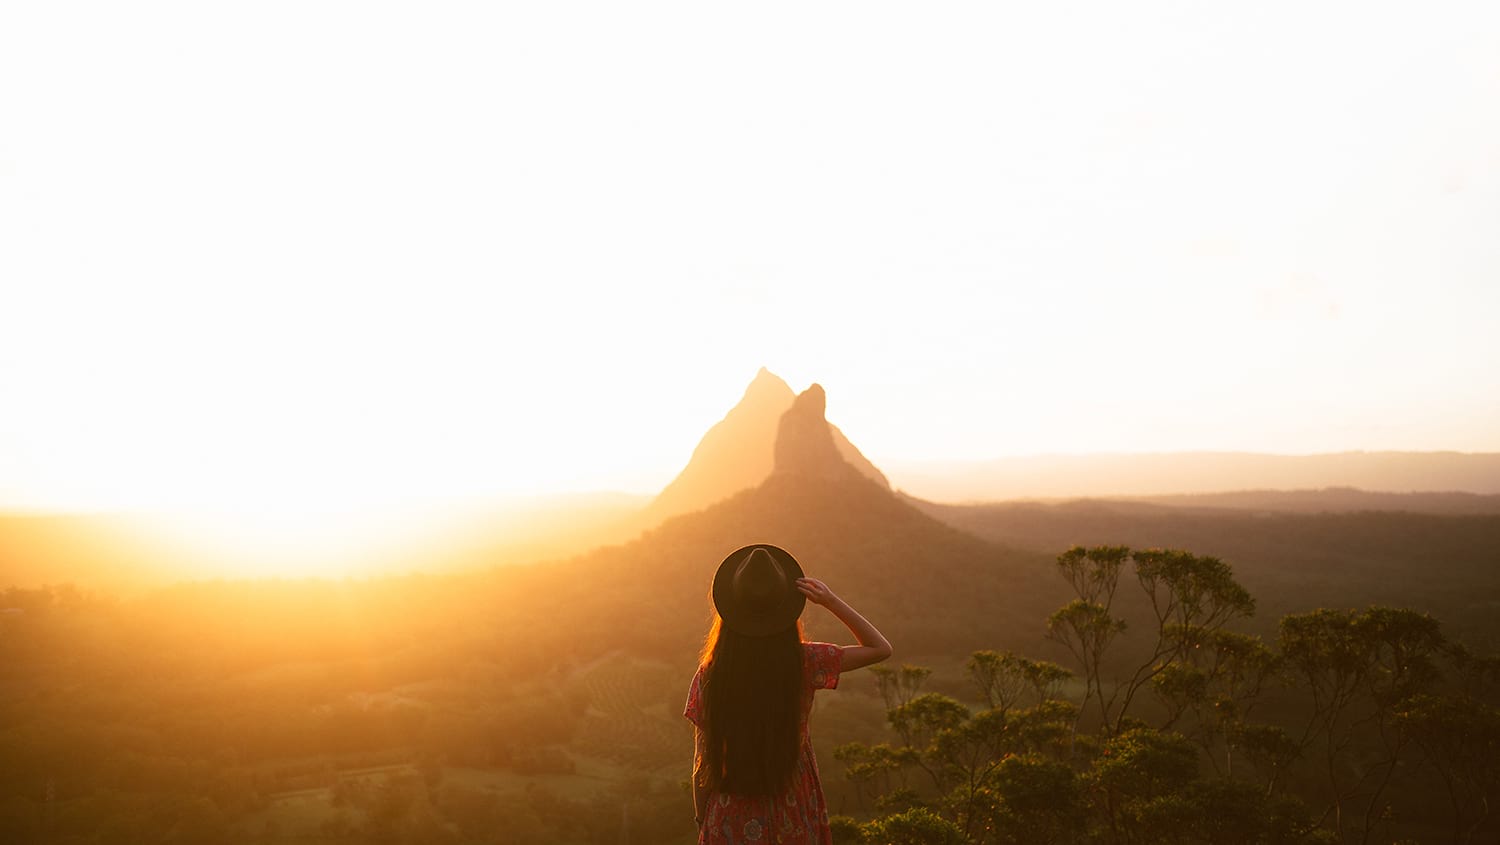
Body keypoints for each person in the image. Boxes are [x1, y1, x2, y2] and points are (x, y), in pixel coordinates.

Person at [684, 543, 892, 844]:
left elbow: (701, 762)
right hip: (793, 806)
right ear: (785, 610)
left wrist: (703, 819)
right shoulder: (804, 663)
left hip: (729, 811)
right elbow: (879, 648)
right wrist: (831, 601)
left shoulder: (711, 675)